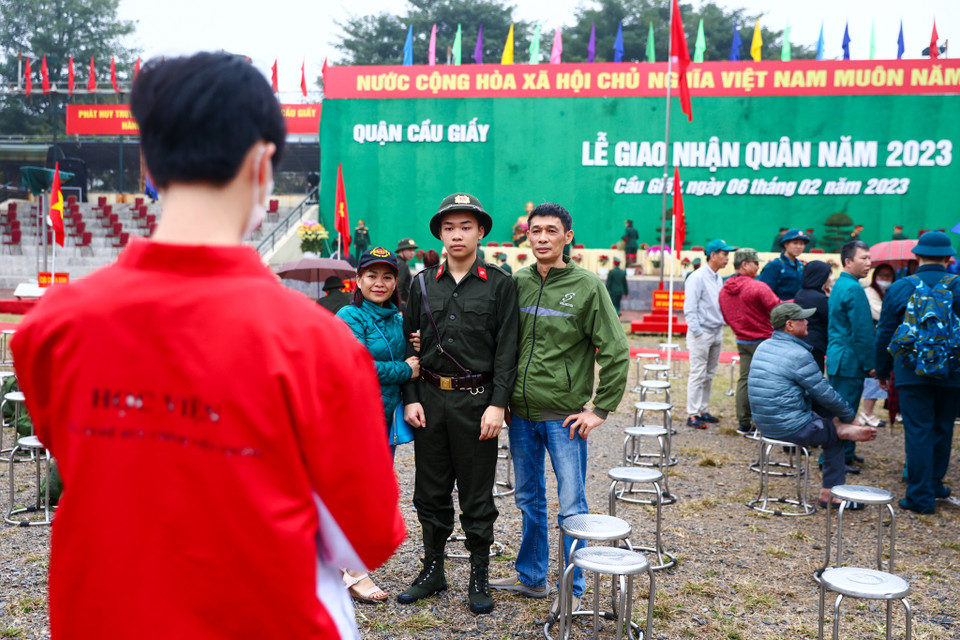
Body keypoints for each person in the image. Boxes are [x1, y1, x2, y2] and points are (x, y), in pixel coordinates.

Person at [10, 52, 405, 640]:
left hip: (102, 617)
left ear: (148, 161)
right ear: (263, 163)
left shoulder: (52, 326)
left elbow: (80, 456)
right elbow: (365, 534)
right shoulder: (316, 343)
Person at [491, 202, 629, 618]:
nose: (543, 238)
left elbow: (617, 350)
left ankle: (575, 587)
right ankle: (532, 577)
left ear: (568, 237)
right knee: (529, 499)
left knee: (572, 505)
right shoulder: (517, 282)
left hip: (565, 420)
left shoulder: (587, 285)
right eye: (536, 231)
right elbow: (501, 344)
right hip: (521, 416)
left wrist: (599, 410)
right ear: (527, 237)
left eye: (552, 231)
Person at [398, 192, 519, 614]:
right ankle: (433, 570)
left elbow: (507, 350)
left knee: (476, 495)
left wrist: (498, 404)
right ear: (440, 234)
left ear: (481, 231)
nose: (457, 235)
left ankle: (479, 574)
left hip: (476, 402)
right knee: (429, 492)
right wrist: (410, 397)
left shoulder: (500, 284)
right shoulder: (420, 282)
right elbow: (406, 346)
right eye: (449, 227)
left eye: (466, 226)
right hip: (429, 400)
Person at [335, 247, 419, 603]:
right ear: (359, 280)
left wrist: (417, 345)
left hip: (386, 421)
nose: (379, 283)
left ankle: (344, 563)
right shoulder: (349, 315)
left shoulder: (398, 318)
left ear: (396, 281)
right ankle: (353, 572)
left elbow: (405, 355)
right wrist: (405, 369)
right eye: (371, 275)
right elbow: (356, 367)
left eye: (387, 276)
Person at [749, 303, 878, 509]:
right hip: (787, 427)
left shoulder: (764, 346)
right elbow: (824, 392)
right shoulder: (798, 355)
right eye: (802, 319)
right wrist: (849, 415)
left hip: (764, 423)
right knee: (834, 436)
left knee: (822, 406)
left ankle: (839, 426)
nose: (807, 321)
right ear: (790, 325)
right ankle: (832, 494)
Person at [875, 231, 960, 514]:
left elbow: (885, 331)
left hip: (911, 372)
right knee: (943, 428)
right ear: (949, 258)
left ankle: (920, 496)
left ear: (916, 255)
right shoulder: (958, 286)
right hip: (952, 372)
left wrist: (883, 369)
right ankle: (935, 484)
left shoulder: (901, 287)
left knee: (918, 431)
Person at [718, 248, 781, 434]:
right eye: (756, 263)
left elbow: (726, 316)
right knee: (769, 382)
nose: (758, 266)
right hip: (765, 340)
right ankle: (768, 423)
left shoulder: (724, 290)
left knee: (745, 380)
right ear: (745, 264)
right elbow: (779, 309)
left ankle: (744, 422)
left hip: (742, 339)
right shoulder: (758, 287)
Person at [826, 240, 875, 474]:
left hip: (839, 356)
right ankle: (835, 459)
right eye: (863, 258)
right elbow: (862, 330)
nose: (869, 263)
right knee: (844, 411)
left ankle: (846, 453)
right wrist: (871, 364)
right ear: (848, 261)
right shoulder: (854, 288)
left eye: (869, 258)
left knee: (844, 408)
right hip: (850, 359)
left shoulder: (840, 284)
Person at [683, 239, 735, 428]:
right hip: (702, 332)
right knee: (698, 373)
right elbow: (689, 307)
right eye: (724, 254)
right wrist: (697, 332)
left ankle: (702, 409)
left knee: (709, 373)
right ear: (713, 255)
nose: (727, 258)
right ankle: (692, 413)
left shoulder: (716, 277)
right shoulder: (697, 277)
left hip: (716, 330)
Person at [860, 263, 897, 427]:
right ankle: (866, 412)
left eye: (888, 276)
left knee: (878, 376)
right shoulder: (869, 292)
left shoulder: (887, 292)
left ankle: (869, 412)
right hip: (874, 337)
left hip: (883, 338)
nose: (885, 279)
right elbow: (880, 313)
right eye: (882, 275)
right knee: (873, 376)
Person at [793, 261, 833, 372]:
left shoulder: (801, 293)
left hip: (800, 342)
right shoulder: (819, 298)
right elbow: (832, 318)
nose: (829, 279)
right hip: (815, 345)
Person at [759, 228, 809, 300]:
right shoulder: (775, 265)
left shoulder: (801, 266)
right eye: (795, 243)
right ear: (786, 244)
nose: (799, 247)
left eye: (802, 244)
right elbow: (764, 292)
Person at [395, 237, 418, 312]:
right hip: (401, 305)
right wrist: (400, 309)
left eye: (414, 250)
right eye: (409, 250)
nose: (413, 253)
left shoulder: (399, 262)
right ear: (401, 250)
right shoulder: (401, 265)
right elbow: (398, 287)